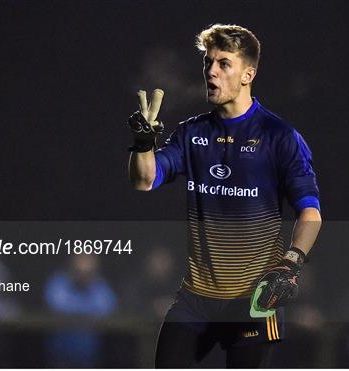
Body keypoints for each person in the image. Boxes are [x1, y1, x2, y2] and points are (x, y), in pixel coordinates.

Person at [127, 24, 322, 368]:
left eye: (223, 64)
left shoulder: (280, 137)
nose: (211, 71)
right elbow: (144, 180)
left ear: (249, 73)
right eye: (208, 63)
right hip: (195, 299)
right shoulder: (192, 132)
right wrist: (144, 144)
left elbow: (311, 214)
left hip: (253, 301)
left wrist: (291, 264)